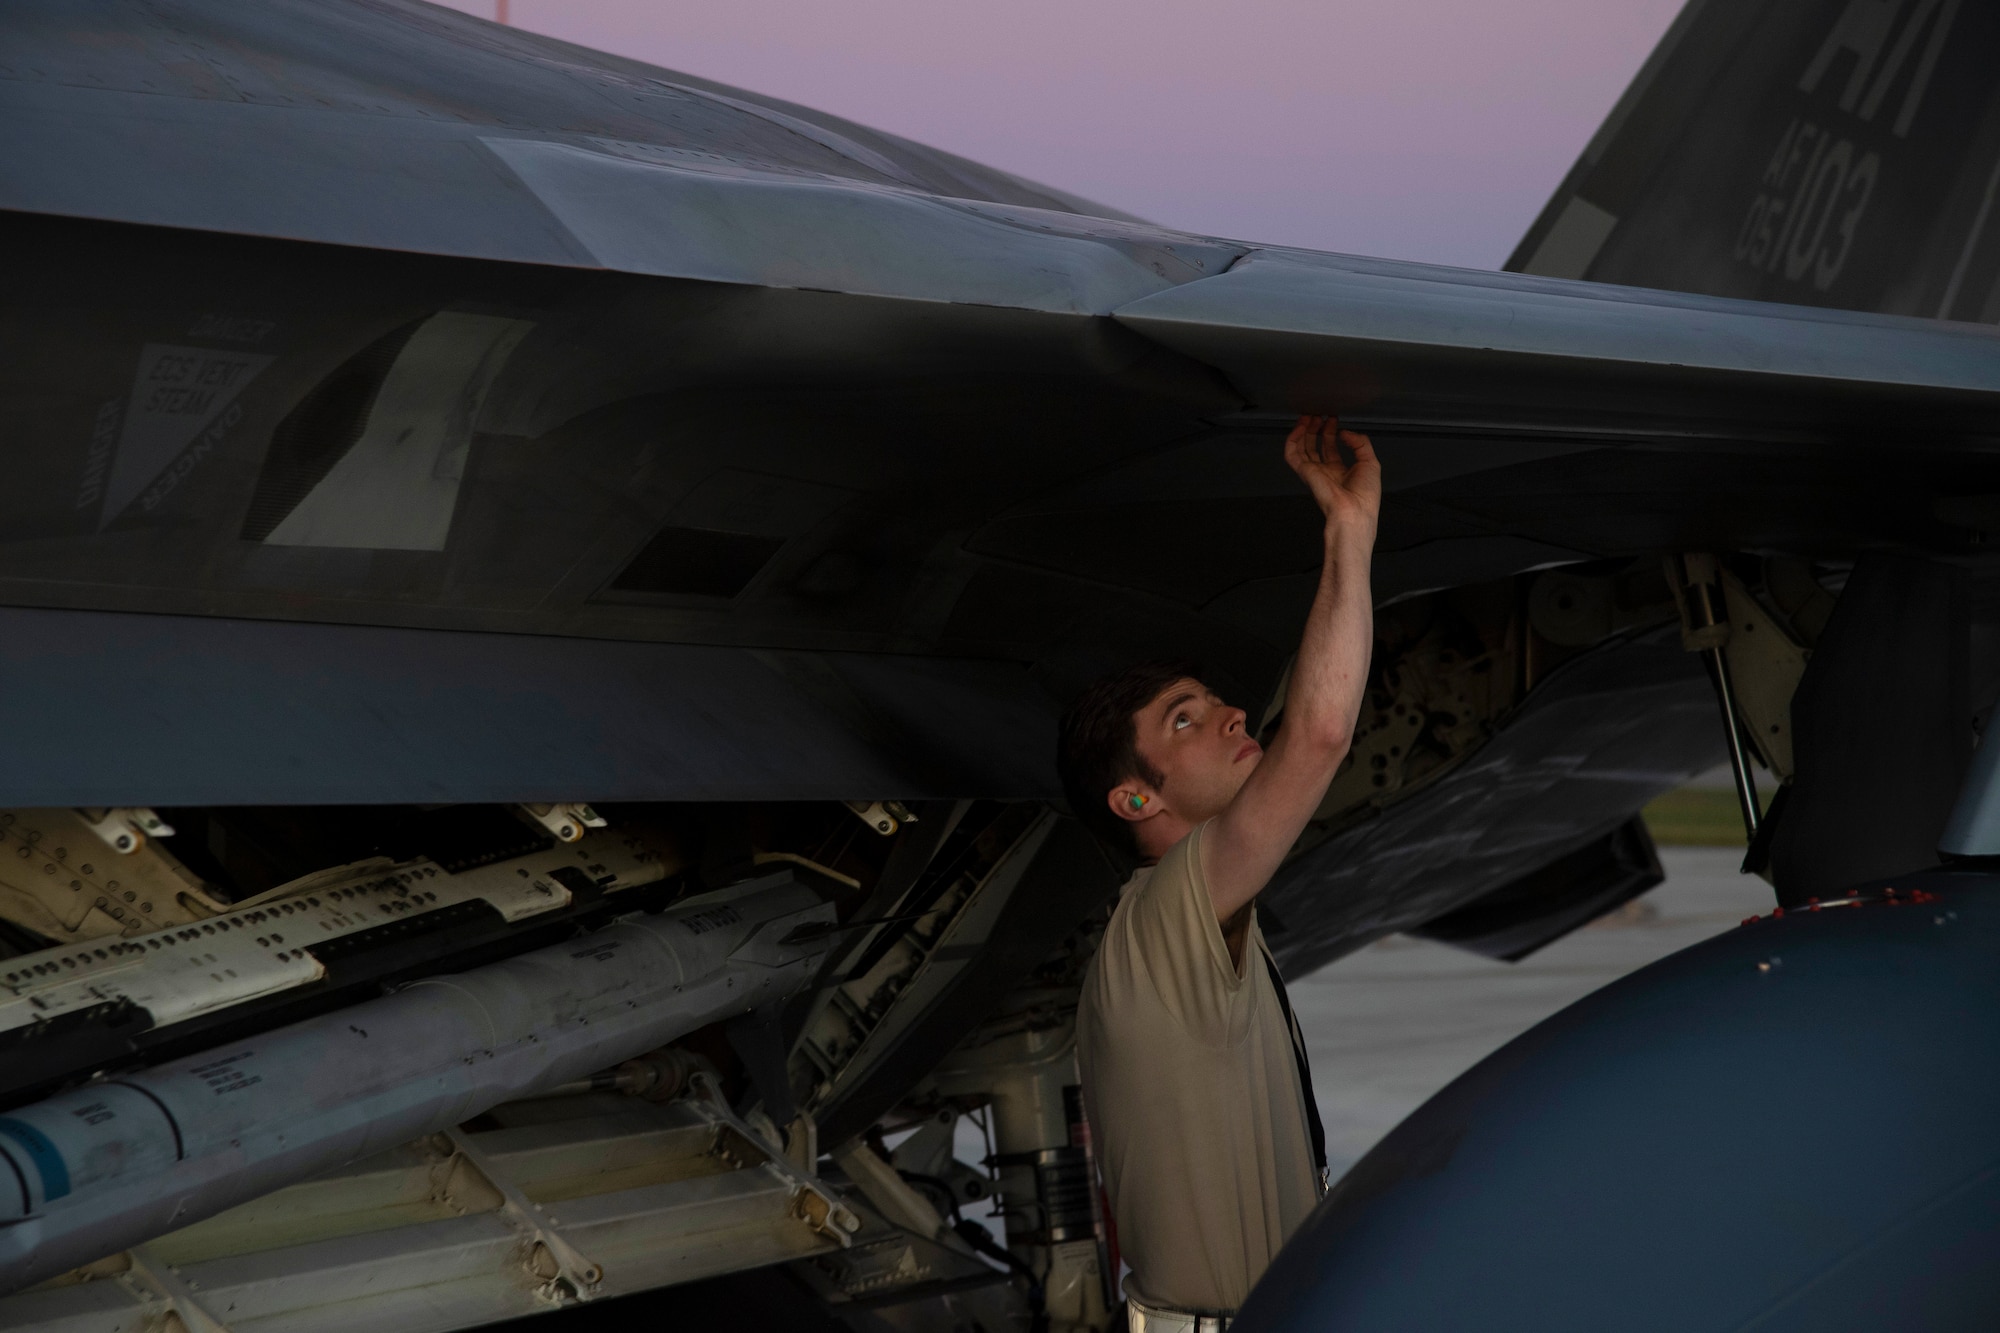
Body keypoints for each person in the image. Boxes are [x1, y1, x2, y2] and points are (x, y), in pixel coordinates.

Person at [1060, 415, 1380, 1332]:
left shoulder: (1187, 932)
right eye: (1188, 720)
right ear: (1134, 799)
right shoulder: (1169, 914)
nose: (1238, 715)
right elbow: (1318, 734)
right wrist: (1348, 533)